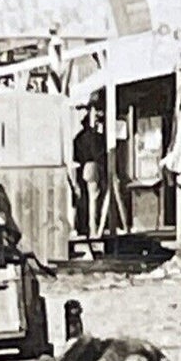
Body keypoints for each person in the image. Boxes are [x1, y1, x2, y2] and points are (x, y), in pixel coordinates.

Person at [72, 96, 106, 248]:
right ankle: (94, 228)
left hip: (83, 167)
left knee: (84, 199)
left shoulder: (78, 138)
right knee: (95, 199)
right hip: (93, 166)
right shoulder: (96, 138)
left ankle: (84, 227)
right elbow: (101, 153)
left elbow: (75, 156)